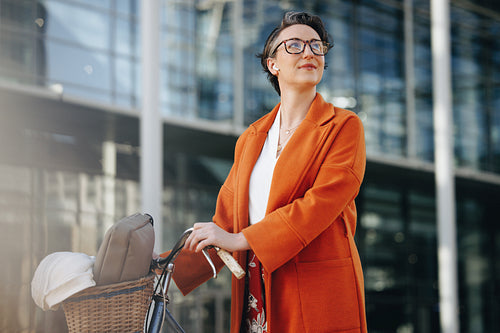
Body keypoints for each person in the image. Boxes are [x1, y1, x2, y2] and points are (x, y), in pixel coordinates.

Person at [164, 11, 367, 333]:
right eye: (295, 45)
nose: (309, 53)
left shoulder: (343, 125)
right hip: (257, 281)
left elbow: (323, 201)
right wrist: (163, 268)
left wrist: (242, 238)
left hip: (317, 285)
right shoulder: (252, 137)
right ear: (273, 64)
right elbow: (226, 224)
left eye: (316, 46)